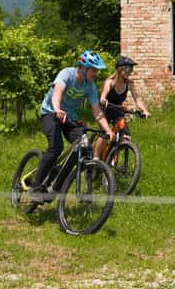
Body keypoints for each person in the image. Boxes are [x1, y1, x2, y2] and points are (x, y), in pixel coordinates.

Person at [30, 50, 114, 201]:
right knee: (56, 148)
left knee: (84, 147)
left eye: (97, 70)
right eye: (93, 70)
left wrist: (108, 131)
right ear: (83, 67)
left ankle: (55, 188)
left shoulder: (90, 86)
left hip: (70, 119)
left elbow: (97, 112)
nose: (96, 73)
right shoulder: (66, 74)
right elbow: (57, 93)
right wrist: (57, 109)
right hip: (51, 113)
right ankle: (35, 187)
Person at [93, 55, 151, 159]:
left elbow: (137, 99)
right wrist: (103, 100)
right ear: (120, 69)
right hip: (106, 110)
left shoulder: (129, 84)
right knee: (104, 134)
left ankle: (112, 157)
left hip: (118, 111)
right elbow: (103, 96)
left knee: (126, 136)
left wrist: (145, 110)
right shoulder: (110, 82)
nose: (130, 71)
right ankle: (95, 159)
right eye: (128, 68)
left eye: (131, 69)